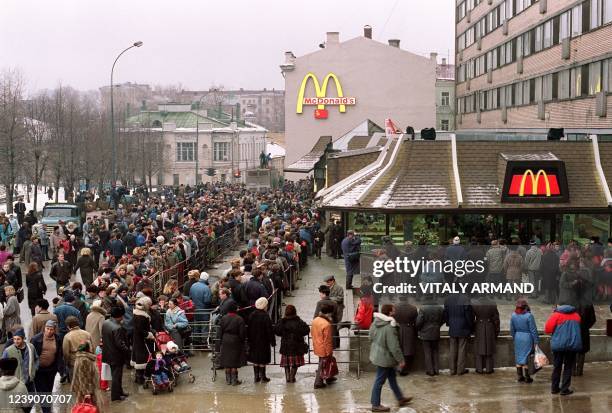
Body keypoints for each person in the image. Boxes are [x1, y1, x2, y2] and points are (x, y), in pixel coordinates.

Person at [369, 304, 413, 412]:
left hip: (379, 355)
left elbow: (370, 337)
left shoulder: (375, 322)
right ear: (389, 313)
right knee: (379, 381)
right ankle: (375, 404)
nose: (395, 312)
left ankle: (400, 398)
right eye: (393, 311)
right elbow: (394, 346)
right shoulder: (389, 327)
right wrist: (401, 360)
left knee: (392, 378)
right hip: (385, 358)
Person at [544, 304, 582, 395]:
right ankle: (564, 389)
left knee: (557, 367)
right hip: (571, 345)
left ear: (559, 306)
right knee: (568, 367)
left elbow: (547, 329)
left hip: (558, 345)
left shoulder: (556, 315)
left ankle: (554, 388)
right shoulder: (576, 316)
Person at [30, 320, 63, 413]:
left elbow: (60, 354)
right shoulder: (36, 339)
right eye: (47, 329)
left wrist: (60, 368)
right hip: (39, 370)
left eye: (51, 329)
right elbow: (31, 355)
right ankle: (46, 410)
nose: (49, 331)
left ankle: (46, 408)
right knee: (42, 392)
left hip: (51, 370)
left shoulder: (58, 338)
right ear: (44, 329)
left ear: (54, 330)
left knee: (48, 390)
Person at [274, 304, 310, 383]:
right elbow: (307, 329)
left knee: (286, 364)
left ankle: (288, 377)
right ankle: (292, 377)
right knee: (295, 364)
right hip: (296, 346)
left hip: (285, 346)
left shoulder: (282, 321)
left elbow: (276, 331)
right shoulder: (298, 321)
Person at [102, 306, 130, 401]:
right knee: (116, 376)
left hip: (107, 353)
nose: (122, 318)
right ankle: (115, 396)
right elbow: (120, 344)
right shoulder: (117, 328)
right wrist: (127, 350)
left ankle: (120, 392)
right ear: (119, 316)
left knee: (116, 375)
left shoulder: (105, 323)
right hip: (116, 356)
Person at [443, 293, 474, 375]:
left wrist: (448, 323)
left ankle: (452, 370)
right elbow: (469, 314)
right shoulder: (465, 299)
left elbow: (445, 314)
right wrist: (471, 326)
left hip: (453, 327)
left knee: (452, 349)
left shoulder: (448, 299)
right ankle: (460, 370)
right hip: (463, 327)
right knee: (462, 348)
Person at [510, 298, 539, 384]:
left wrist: (514, 337)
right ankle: (527, 377)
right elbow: (533, 330)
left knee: (519, 357)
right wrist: (536, 341)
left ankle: (520, 376)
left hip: (518, 337)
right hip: (527, 338)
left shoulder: (513, 315)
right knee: (526, 358)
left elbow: (512, 329)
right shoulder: (529, 316)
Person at [247, 297, 275, 383]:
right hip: (263, 341)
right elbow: (269, 330)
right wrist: (272, 341)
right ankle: (263, 377)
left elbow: (248, 328)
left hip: (253, 341)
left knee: (255, 359)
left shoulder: (252, 315)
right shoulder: (265, 316)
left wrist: (249, 340)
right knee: (262, 359)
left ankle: (256, 377)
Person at [219, 300, 246, 385]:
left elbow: (220, 331)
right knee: (234, 362)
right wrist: (242, 341)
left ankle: (228, 381)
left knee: (227, 361)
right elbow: (242, 333)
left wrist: (220, 341)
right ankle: (234, 380)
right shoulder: (239, 319)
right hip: (235, 340)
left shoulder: (223, 318)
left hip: (225, 340)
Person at [1, 328, 37, 393]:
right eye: (14, 339)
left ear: (23, 339)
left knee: (31, 401)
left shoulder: (31, 347)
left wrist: (34, 370)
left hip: (29, 383)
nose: (16, 341)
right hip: (16, 384)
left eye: (18, 339)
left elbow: (36, 359)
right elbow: (2, 366)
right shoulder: (8, 351)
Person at [416, 296, 444, 376]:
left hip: (425, 333)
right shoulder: (439, 308)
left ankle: (430, 371)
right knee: (435, 351)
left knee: (427, 352)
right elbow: (444, 319)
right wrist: (438, 325)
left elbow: (419, 322)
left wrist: (419, 329)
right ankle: (436, 370)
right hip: (435, 332)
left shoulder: (423, 308)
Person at [472, 295, 500, 374]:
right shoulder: (492, 303)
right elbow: (496, 319)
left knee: (478, 348)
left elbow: (471, 318)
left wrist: (472, 329)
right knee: (489, 348)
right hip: (489, 326)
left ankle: (479, 369)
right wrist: (497, 330)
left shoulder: (474, 303)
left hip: (478, 326)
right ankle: (489, 369)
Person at [71, 342, 102, 410]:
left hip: (83, 388)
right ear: (87, 348)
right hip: (86, 389)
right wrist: (87, 393)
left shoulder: (80, 357)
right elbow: (84, 377)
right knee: (88, 409)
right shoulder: (85, 360)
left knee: (83, 408)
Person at [311, 303, 336, 389]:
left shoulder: (315, 320)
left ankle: (328, 378)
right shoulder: (326, 324)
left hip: (317, 345)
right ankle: (318, 382)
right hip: (324, 348)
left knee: (322, 363)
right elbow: (327, 340)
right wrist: (329, 352)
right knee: (322, 365)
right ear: (329, 313)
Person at [131, 296, 155, 384]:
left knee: (138, 358)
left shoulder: (136, 313)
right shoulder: (142, 316)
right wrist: (149, 334)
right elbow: (141, 330)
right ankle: (140, 378)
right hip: (142, 340)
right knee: (142, 359)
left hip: (137, 339)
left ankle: (138, 377)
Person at [62, 316, 93, 381]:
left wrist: (66, 363)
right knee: (86, 382)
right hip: (87, 361)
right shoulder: (87, 334)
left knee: (75, 384)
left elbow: (65, 353)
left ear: (68, 326)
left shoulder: (67, 337)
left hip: (74, 363)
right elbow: (92, 348)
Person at [393, 297, 418, 376]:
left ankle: (399, 367)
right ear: (407, 299)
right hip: (409, 330)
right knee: (407, 351)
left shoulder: (395, 307)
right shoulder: (413, 308)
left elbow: (392, 318)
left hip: (398, 329)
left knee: (399, 349)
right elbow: (416, 321)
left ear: (400, 299)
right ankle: (404, 369)